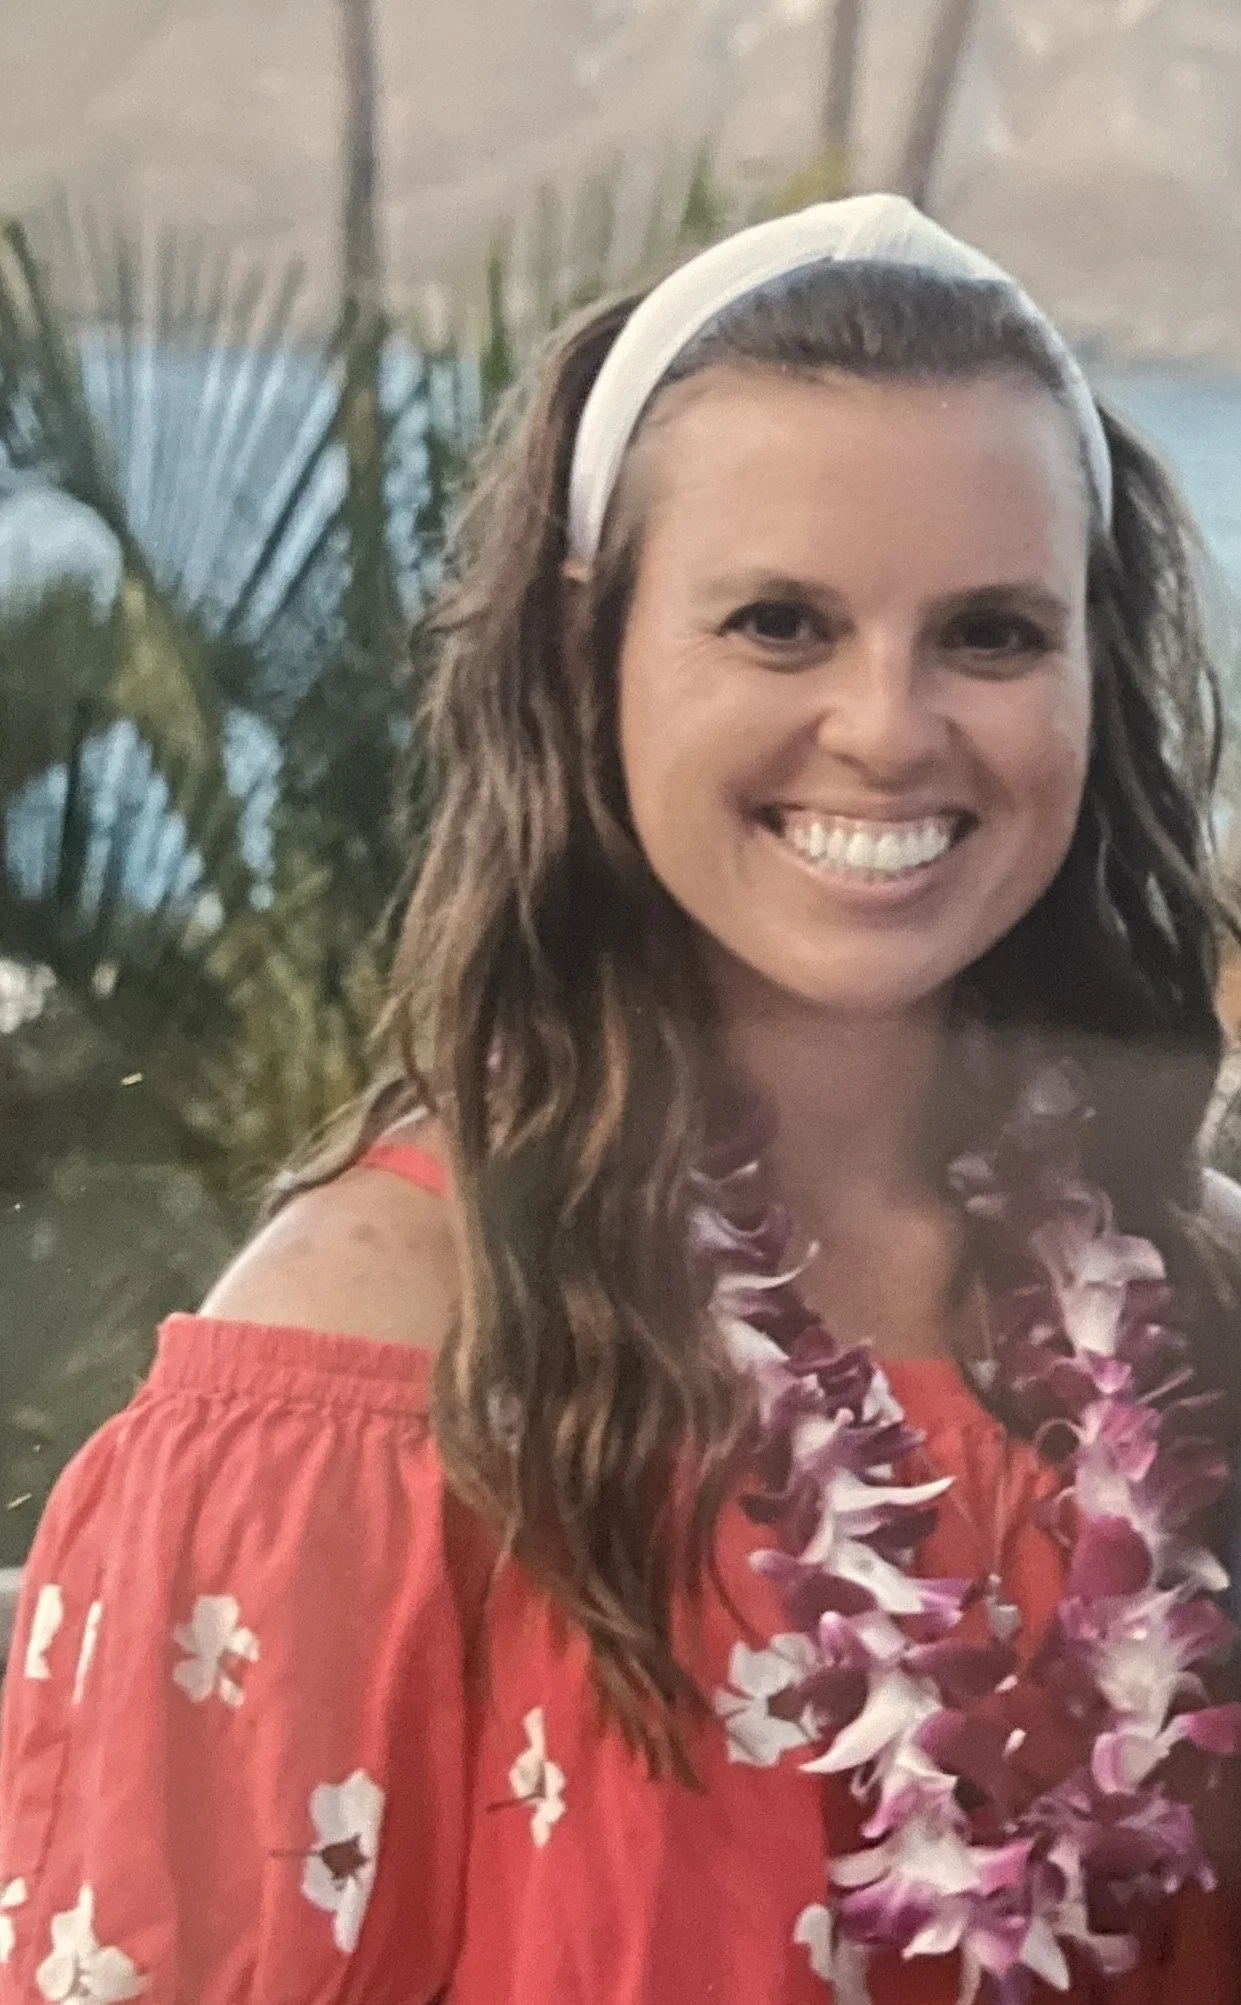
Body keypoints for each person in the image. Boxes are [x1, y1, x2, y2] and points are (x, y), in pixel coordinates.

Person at [1, 194, 1239, 2005]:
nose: (889, 728)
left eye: (990, 634)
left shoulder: (1196, 1303)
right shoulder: (376, 1355)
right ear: (590, 663)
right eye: (780, 624)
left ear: (1092, 673)